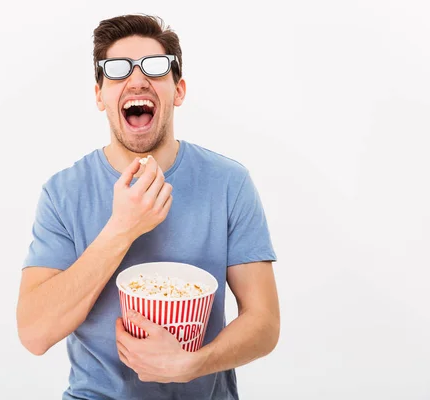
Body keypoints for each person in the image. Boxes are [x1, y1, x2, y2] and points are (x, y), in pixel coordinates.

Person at [16, 14, 280, 400]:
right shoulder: (63, 193)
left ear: (179, 90)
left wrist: (192, 364)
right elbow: (34, 334)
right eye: (117, 70)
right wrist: (122, 228)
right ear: (99, 95)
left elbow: (265, 322)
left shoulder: (229, 183)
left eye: (155, 69)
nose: (137, 80)